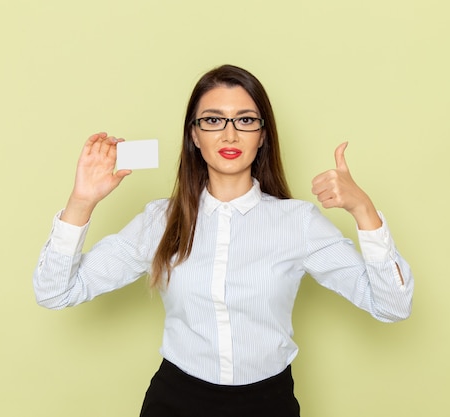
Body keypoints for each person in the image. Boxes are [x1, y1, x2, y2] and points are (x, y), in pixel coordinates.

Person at [33, 64, 414, 417]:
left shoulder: (298, 223)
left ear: (262, 135)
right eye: (214, 120)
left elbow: (393, 305)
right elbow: (55, 292)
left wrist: (364, 211)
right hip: (175, 401)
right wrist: (81, 201)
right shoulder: (160, 221)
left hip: (269, 403)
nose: (230, 134)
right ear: (194, 135)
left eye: (245, 120)